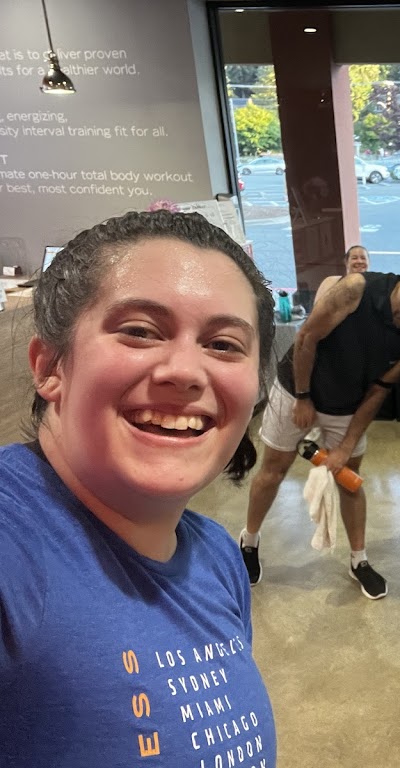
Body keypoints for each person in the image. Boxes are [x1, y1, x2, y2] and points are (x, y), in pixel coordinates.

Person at [0, 210, 278, 765]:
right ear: (50, 365)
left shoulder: (217, 555)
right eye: (140, 331)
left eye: (224, 344)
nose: (186, 371)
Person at [241, 242, 400, 598]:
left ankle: (358, 560)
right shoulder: (357, 289)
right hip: (296, 386)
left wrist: (345, 445)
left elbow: (379, 390)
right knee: (274, 470)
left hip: (347, 403)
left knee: (351, 482)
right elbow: (307, 336)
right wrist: (303, 397)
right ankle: (249, 541)